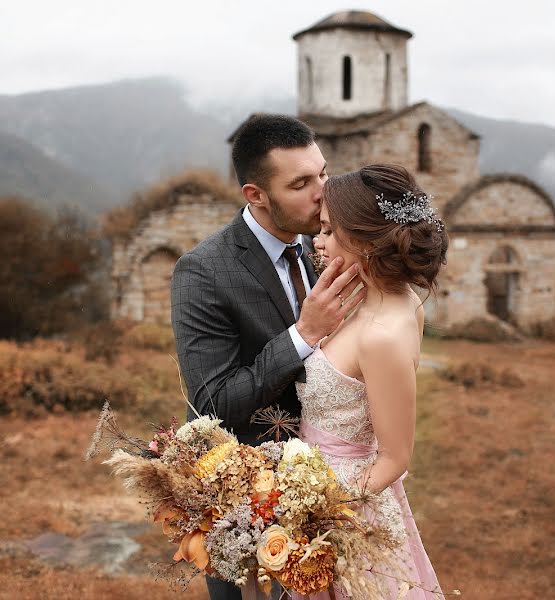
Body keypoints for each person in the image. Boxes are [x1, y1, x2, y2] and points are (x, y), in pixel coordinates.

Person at [170, 114, 366, 600]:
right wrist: (303, 334)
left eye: (323, 173)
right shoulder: (202, 273)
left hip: (333, 492)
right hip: (249, 503)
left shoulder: (324, 243)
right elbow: (212, 401)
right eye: (301, 183)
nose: (323, 192)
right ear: (255, 194)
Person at [293, 164, 448, 599]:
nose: (316, 242)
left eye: (326, 231)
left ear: (361, 239)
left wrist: (317, 510)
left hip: (346, 510)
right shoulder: (381, 297)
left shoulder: (383, 332)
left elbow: (394, 459)